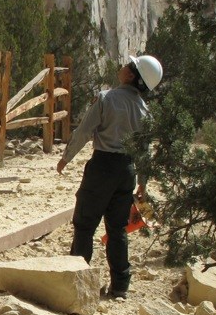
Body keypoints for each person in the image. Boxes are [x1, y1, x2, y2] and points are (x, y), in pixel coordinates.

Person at [55, 54, 163, 299]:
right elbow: (145, 151)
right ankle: (120, 286)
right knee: (117, 229)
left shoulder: (106, 99)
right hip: (127, 171)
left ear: (132, 75)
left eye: (128, 65)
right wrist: (143, 182)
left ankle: (78, 283)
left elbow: (84, 132)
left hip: (102, 167)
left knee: (85, 225)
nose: (123, 66)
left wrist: (66, 158)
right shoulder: (146, 112)